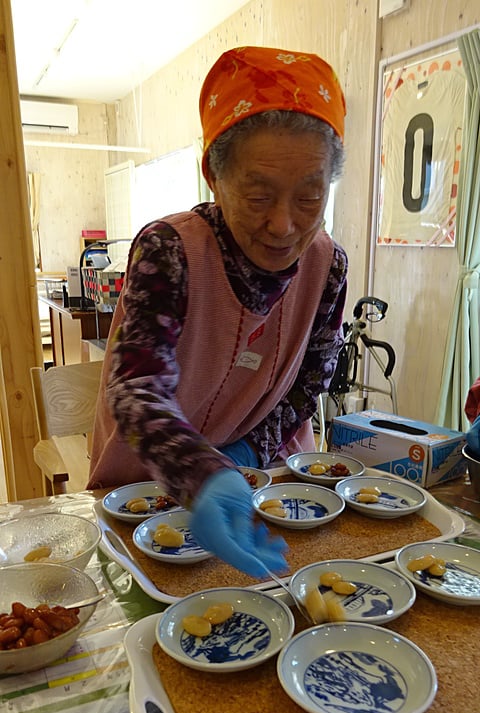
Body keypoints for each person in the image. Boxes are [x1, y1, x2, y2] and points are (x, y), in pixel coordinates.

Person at [88, 45, 348, 578]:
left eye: (309, 197)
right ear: (214, 173)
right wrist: (202, 473)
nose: (283, 225)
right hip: (151, 481)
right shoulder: (171, 250)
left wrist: (248, 453)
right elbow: (136, 387)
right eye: (258, 195)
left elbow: (311, 380)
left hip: (267, 478)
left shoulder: (329, 266)